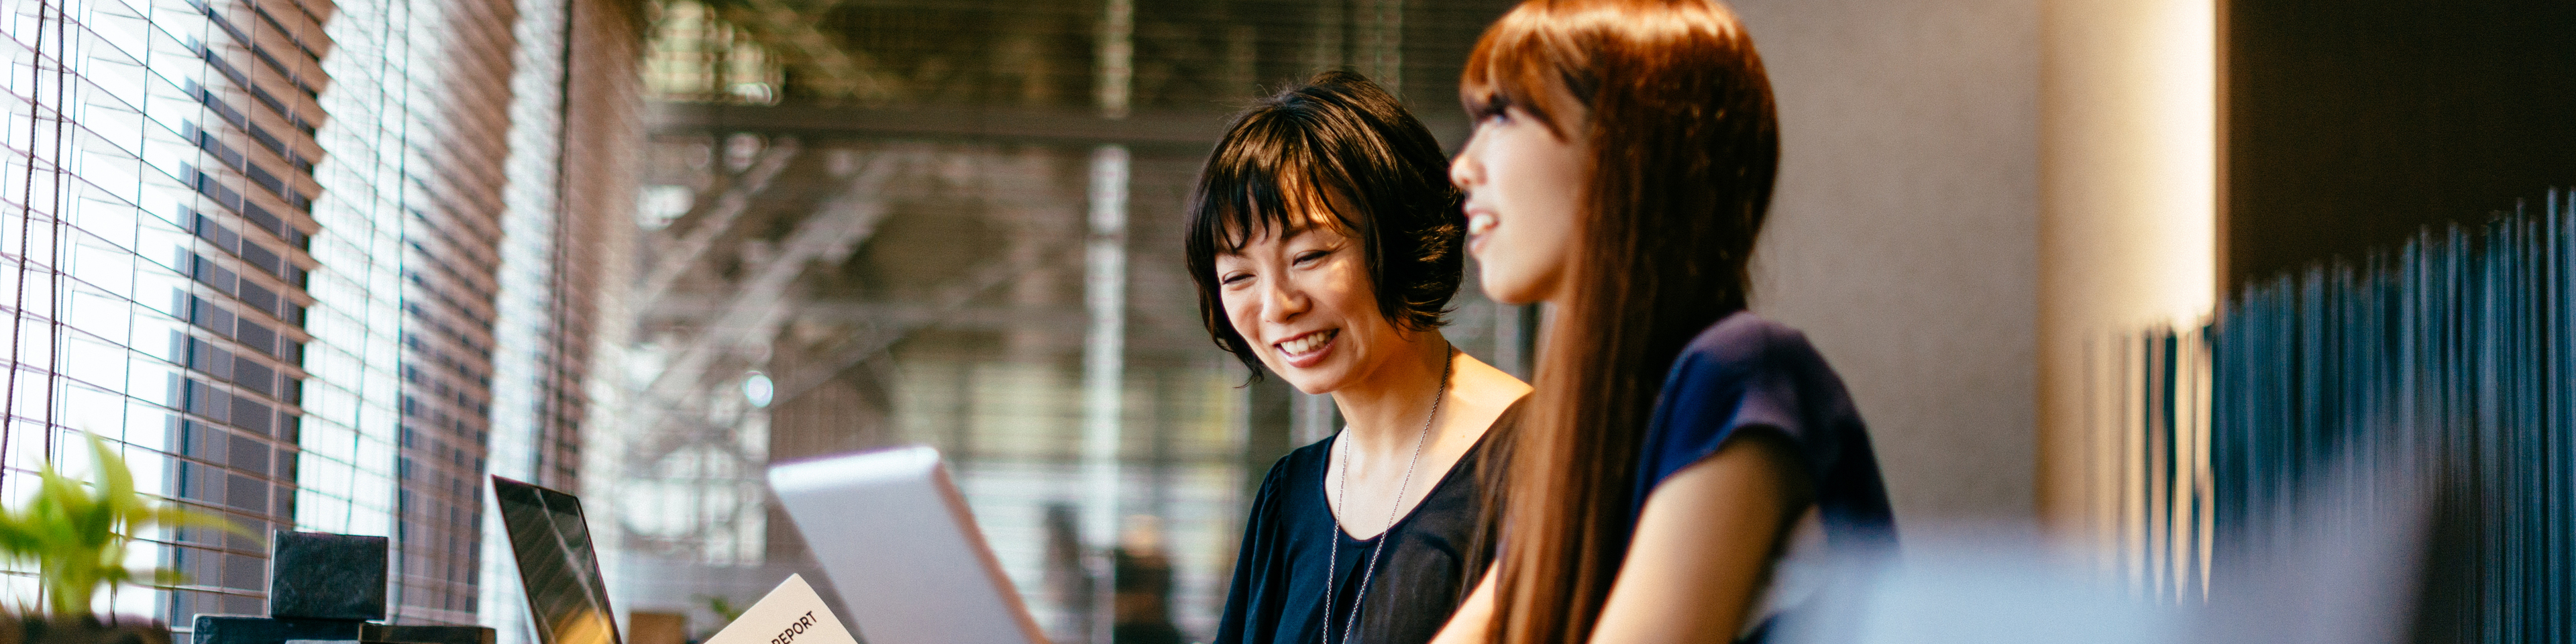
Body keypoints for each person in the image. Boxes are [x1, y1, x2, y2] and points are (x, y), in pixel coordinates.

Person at [1430, 1, 1898, 643]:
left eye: (1502, 116)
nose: (1463, 166)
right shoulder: (1585, 429)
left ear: (1623, 144)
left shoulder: (1743, 371)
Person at [1191, 70, 1533, 644]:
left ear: (1404, 237)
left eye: (1311, 254)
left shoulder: (1541, 458)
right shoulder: (1289, 495)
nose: (1278, 306)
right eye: (1239, 275)